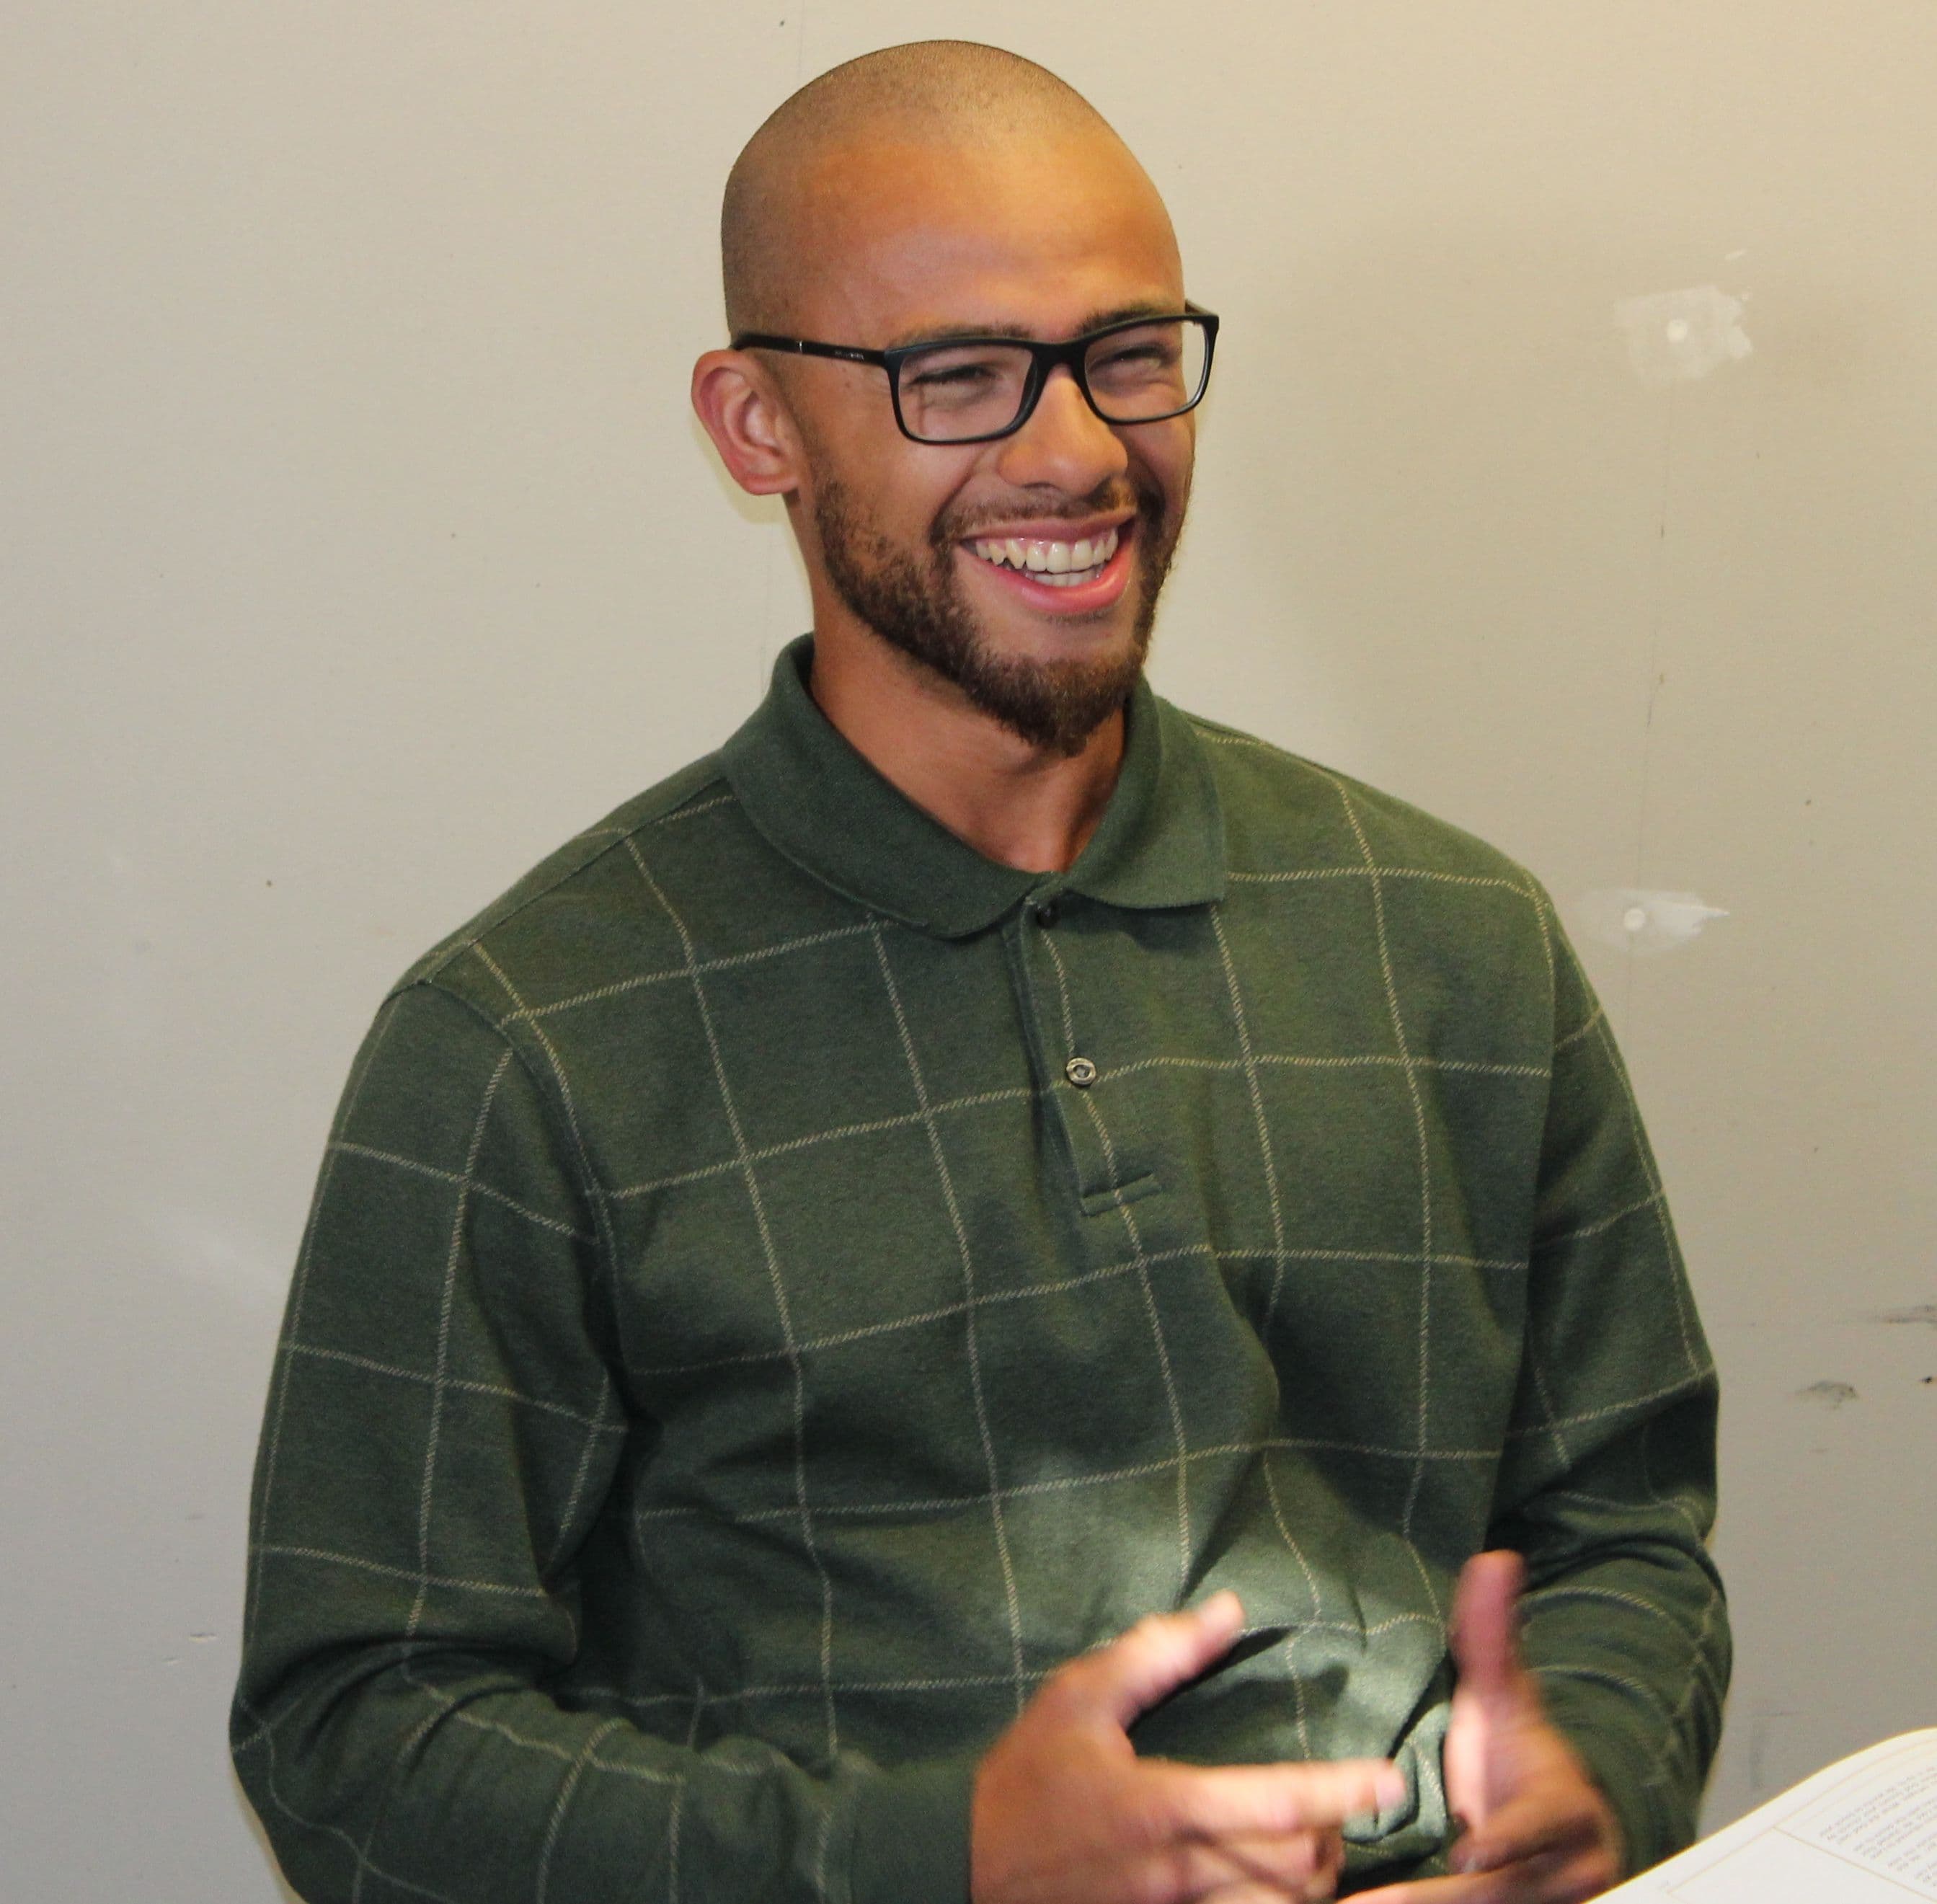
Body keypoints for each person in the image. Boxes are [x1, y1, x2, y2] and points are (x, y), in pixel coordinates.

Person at [231, 40, 1728, 1904]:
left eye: (1124, 355)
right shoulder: (526, 1041)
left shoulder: (1457, 939)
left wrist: (1589, 1763)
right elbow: (357, 1730)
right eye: (958, 376)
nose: (1078, 450)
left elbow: (1625, 1527)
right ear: (754, 425)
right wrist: (937, 1855)